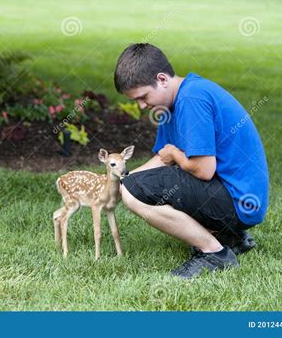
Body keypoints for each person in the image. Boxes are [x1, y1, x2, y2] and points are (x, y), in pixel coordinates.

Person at [114, 43, 269, 279]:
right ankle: (230, 237)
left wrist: (173, 157)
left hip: (239, 201)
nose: (142, 105)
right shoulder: (174, 101)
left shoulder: (191, 99)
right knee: (132, 188)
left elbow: (203, 170)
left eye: (143, 97)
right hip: (236, 196)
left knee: (135, 192)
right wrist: (125, 181)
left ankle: (214, 253)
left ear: (162, 79)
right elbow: (163, 157)